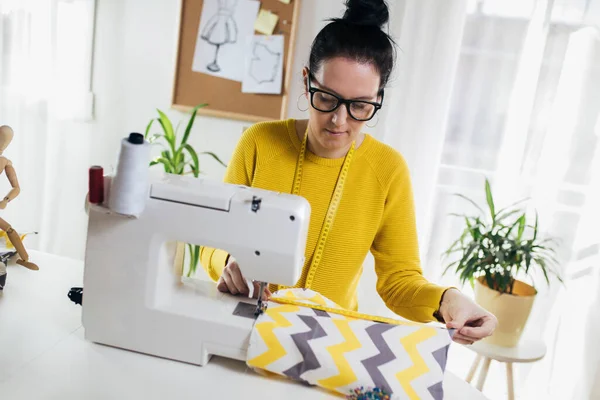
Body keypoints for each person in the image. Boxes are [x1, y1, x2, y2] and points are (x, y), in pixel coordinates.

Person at [200, 0, 497, 345]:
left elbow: (399, 281)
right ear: (307, 81)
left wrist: (449, 300)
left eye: (359, 106)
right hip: (244, 331)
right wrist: (228, 261)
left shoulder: (388, 170)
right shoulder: (258, 144)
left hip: (328, 346)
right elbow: (212, 242)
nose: (339, 120)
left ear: (378, 98)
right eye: (326, 98)